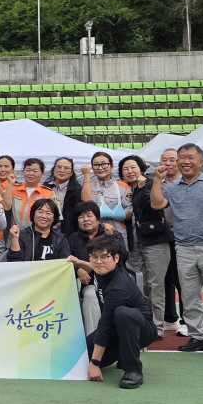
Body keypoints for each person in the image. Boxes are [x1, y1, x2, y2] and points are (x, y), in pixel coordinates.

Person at [150, 143, 203, 358]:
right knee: (188, 296)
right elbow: (157, 204)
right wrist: (157, 179)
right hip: (184, 247)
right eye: (182, 157)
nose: (186, 161)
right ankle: (198, 337)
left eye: (190, 157)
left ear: (201, 161)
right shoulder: (172, 187)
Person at [84, 236, 157, 389]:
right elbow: (95, 263)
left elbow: (105, 325)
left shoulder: (118, 288)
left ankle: (133, 370)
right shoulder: (102, 269)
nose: (98, 261)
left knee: (123, 313)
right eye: (94, 257)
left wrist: (95, 364)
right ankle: (122, 352)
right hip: (117, 328)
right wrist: (77, 263)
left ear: (116, 258)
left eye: (104, 257)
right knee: (79, 359)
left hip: (141, 330)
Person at [120, 154, 171, 339]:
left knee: (155, 285)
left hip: (155, 240)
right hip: (134, 243)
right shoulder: (126, 190)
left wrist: (143, 187)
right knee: (138, 285)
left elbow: (153, 206)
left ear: (142, 168)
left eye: (133, 167)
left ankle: (157, 327)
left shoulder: (150, 184)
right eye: (125, 169)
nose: (129, 171)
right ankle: (143, 323)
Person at [66, 201, 115, 335]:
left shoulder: (110, 234)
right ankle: (92, 339)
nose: (85, 219)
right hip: (91, 284)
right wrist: (78, 269)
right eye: (81, 217)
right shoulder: (72, 239)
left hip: (113, 282)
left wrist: (110, 237)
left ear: (98, 218)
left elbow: (122, 258)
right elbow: (67, 260)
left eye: (89, 215)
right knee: (91, 296)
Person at [158, 148, 186, 335]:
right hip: (160, 236)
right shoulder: (157, 183)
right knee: (164, 278)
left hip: (181, 236)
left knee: (183, 279)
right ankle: (169, 317)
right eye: (164, 160)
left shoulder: (185, 182)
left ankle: (187, 320)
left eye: (172, 160)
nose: (168, 163)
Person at [81, 151, 132, 248]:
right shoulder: (88, 185)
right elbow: (86, 203)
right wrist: (86, 176)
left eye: (104, 164)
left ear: (111, 166)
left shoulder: (122, 186)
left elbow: (129, 213)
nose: (100, 168)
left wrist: (116, 214)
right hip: (93, 234)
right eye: (96, 165)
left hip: (117, 232)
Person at [10, 158, 56, 231]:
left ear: (42, 173)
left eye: (35, 171)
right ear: (23, 171)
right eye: (28, 170)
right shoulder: (13, 189)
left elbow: (55, 219)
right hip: (14, 233)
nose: (31, 173)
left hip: (36, 234)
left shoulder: (49, 193)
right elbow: (5, 207)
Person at [43, 157, 82, 238]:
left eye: (66, 168)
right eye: (59, 167)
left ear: (71, 172)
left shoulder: (77, 190)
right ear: (53, 170)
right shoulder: (45, 187)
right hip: (45, 229)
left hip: (68, 231)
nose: (61, 170)